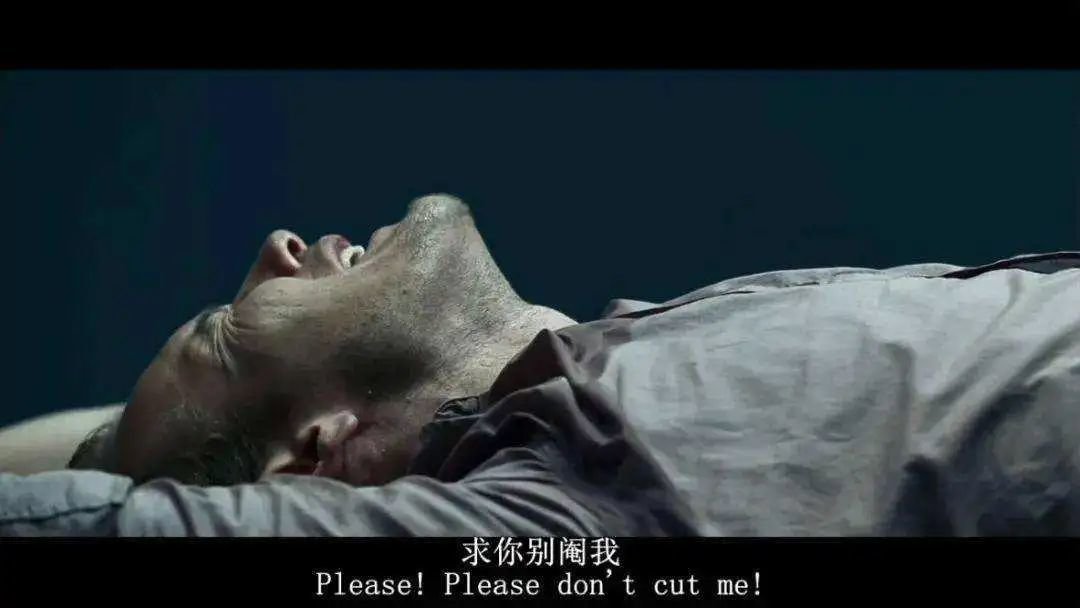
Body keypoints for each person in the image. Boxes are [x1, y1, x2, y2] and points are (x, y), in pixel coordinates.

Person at [2, 193, 1080, 536]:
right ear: (317, 456)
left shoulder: (613, 357)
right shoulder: (552, 514)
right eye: (224, 331)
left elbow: (89, 458)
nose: (275, 251)